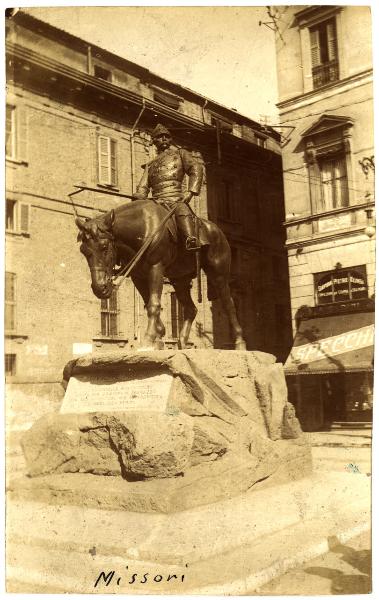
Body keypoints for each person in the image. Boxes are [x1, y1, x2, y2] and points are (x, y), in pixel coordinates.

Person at [133, 123, 203, 251]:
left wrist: (191, 191)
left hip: (174, 198)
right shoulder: (150, 165)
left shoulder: (180, 153)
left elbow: (196, 168)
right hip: (156, 201)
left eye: (167, 136)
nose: (164, 138)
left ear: (170, 139)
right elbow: (143, 187)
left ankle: (190, 238)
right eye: (160, 137)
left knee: (181, 210)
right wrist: (138, 197)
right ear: (154, 141)